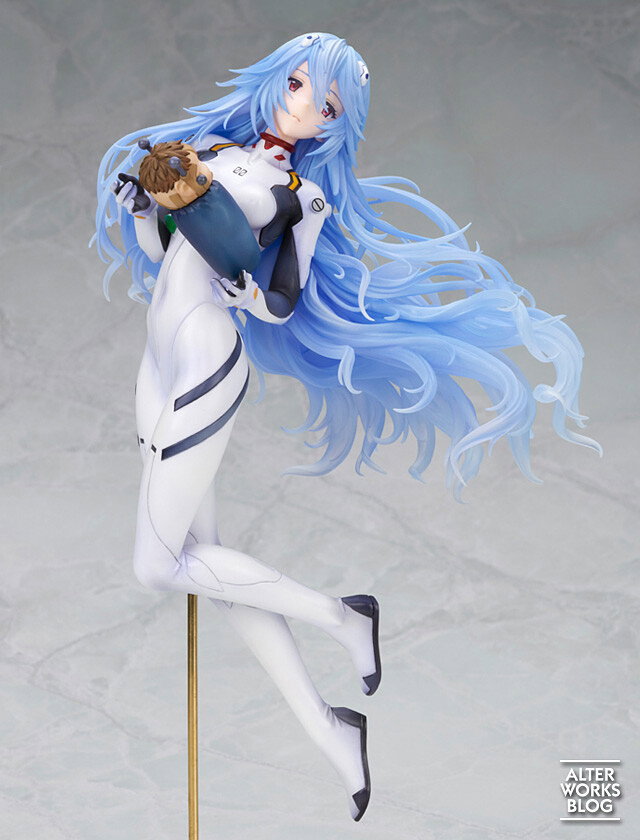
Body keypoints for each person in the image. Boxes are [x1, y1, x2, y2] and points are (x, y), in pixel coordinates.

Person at [94, 32, 599, 821]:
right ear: (276, 78)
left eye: (325, 105)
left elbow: (282, 299)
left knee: (160, 567)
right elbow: (165, 252)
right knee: (208, 567)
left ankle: (340, 614)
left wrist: (245, 286)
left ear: (335, 125)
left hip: (205, 357)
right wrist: (142, 212)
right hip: (155, 356)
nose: (303, 107)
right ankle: (332, 732)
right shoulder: (210, 152)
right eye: (297, 84)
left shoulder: (304, 197)